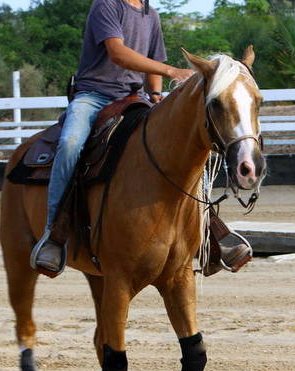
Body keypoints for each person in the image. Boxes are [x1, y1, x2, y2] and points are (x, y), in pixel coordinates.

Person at [30, 0, 195, 271]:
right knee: (71, 144)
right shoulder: (106, 5)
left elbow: (154, 64)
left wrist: (156, 95)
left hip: (135, 97)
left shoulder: (150, 14)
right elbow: (117, 52)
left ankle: (210, 230)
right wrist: (172, 72)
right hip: (94, 96)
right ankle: (54, 233)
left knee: (175, 144)